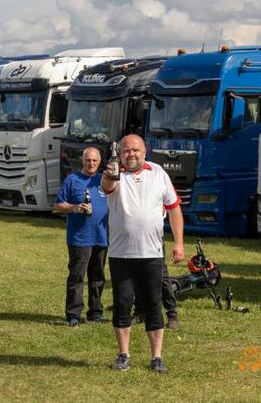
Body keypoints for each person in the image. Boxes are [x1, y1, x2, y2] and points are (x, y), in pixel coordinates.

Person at [102, 134, 184, 374]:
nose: (131, 154)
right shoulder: (115, 172)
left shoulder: (159, 173)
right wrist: (108, 176)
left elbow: (174, 208)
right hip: (121, 253)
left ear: (144, 151)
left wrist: (178, 242)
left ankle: (156, 357)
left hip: (151, 253)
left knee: (153, 304)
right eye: (126, 151)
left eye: (136, 150)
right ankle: (123, 354)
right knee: (122, 303)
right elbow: (108, 187)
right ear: (121, 153)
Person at [54, 147, 108, 327]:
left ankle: (95, 312)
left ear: (100, 162)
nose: (91, 163)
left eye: (94, 160)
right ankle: (73, 314)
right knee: (77, 276)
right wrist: (75, 208)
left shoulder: (105, 180)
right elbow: (59, 205)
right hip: (80, 238)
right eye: (88, 160)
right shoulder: (72, 179)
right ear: (82, 160)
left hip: (101, 237)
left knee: (98, 277)